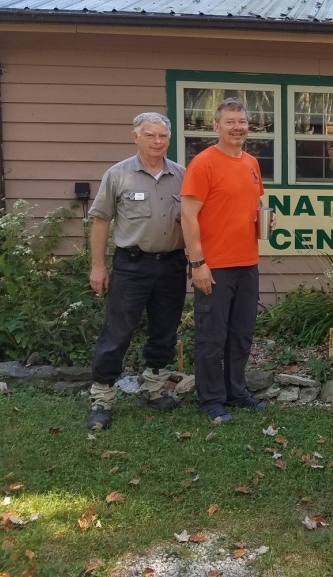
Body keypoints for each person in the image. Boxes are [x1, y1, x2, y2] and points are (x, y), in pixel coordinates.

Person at [86, 112, 187, 431]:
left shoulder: (182, 175)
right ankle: (102, 398)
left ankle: (153, 389)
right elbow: (101, 221)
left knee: (164, 330)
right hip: (131, 265)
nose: (158, 141)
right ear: (136, 136)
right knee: (117, 332)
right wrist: (98, 266)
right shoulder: (118, 175)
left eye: (163, 136)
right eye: (150, 135)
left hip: (172, 263)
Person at [181, 97, 269, 423]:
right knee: (211, 336)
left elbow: (257, 206)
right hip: (213, 266)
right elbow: (188, 217)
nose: (237, 127)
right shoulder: (203, 164)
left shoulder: (251, 163)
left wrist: (266, 221)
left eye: (241, 121)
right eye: (230, 121)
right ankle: (211, 400)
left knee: (241, 334)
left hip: (247, 262)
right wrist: (197, 263)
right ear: (216, 126)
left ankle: (236, 391)